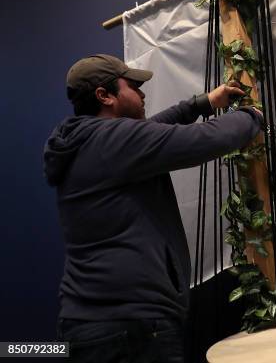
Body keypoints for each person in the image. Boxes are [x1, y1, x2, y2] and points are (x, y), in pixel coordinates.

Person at [43, 54, 263, 362]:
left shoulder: (87, 141)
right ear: (104, 95)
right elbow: (207, 139)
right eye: (133, 86)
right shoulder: (115, 140)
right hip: (131, 329)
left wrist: (202, 104)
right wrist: (252, 115)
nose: (143, 94)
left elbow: (154, 127)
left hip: (91, 324)